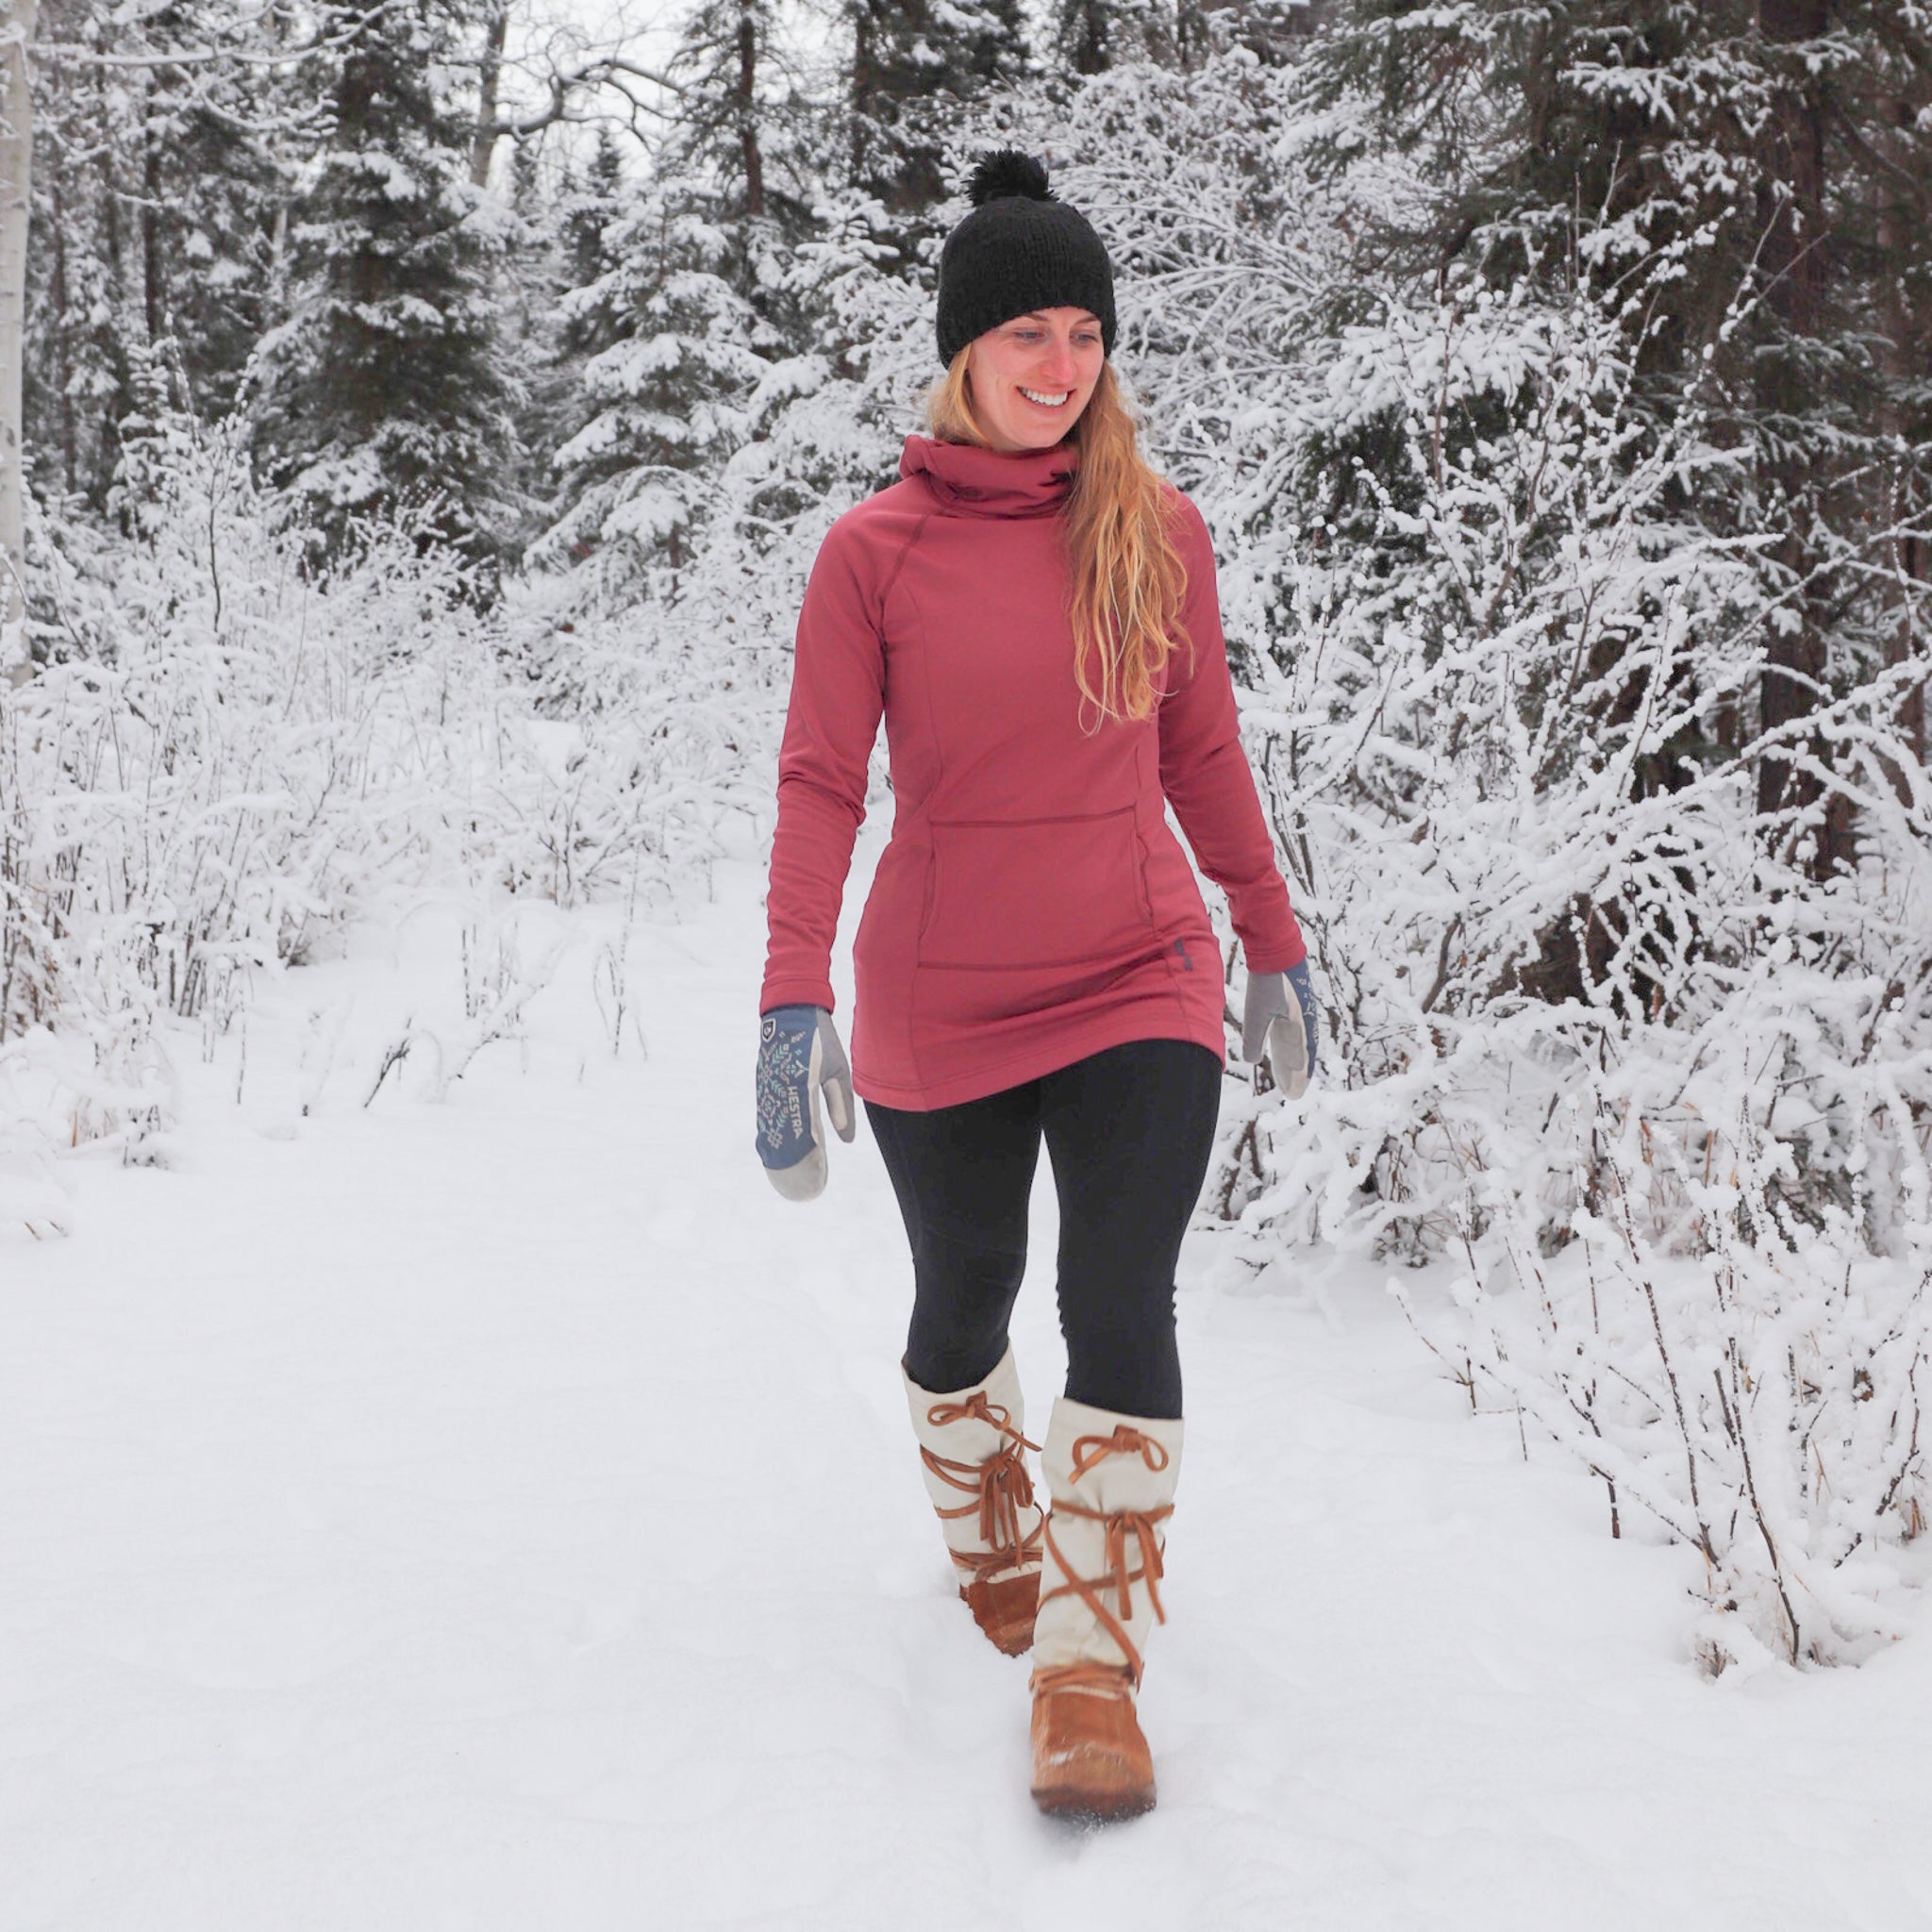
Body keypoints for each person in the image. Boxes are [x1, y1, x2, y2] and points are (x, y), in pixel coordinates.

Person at [752, 150, 1317, 1822]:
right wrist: (793, 1003)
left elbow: (1200, 751)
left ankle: (1091, 1670)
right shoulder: (874, 554)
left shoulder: (1158, 531)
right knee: (964, 1301)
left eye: (1085, 332)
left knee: (1120, 1296)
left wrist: (1267, 931)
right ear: (963, 351)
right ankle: (994, 1515)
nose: (1061, 366)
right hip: (942, 991)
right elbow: (816, 785)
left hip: (1140, 965)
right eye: (1028, 334)